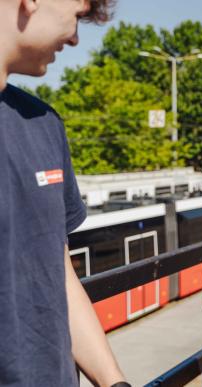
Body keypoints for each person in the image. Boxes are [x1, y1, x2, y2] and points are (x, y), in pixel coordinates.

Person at [0, 1, 129, 386]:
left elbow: (55, 268)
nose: (75, 38)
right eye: (77, 15)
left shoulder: (43, 123)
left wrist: (114, 381)